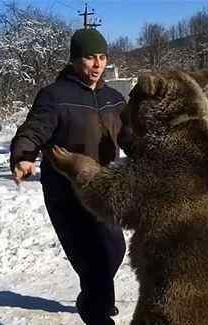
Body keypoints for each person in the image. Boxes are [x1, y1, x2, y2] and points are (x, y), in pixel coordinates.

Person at [10, 28, 127, 325]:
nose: (97, 65)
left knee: (115, 249)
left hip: (104, 188)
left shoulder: (113, 98)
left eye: (102, 57)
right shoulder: (55, 96)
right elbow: (34, 130)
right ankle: (96, 311)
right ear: (76, 60)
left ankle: (97, 297)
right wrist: (24, 156)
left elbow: (131, 136)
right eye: (90, 58)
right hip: (67, 192)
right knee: (94, 259)